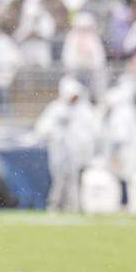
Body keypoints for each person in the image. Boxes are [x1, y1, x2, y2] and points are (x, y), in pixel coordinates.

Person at [35, 76, 99, 212]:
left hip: (79, 155)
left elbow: (92, 131)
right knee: (59, 181)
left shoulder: (85, 110)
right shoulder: (55, 109)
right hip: (59, 153)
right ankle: (55, 206)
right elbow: (42, 129)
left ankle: (76, 207)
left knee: (77, 182)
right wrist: (56, 130)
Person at [101, 77, 136, 206]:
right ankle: (124, 202)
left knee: (122, 178)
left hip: (123, 151)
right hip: (128, 149)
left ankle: (124, 202)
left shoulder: (121, 113)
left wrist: (114, 153)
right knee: (123, 178)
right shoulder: (129, 111)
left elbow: (120, 136)